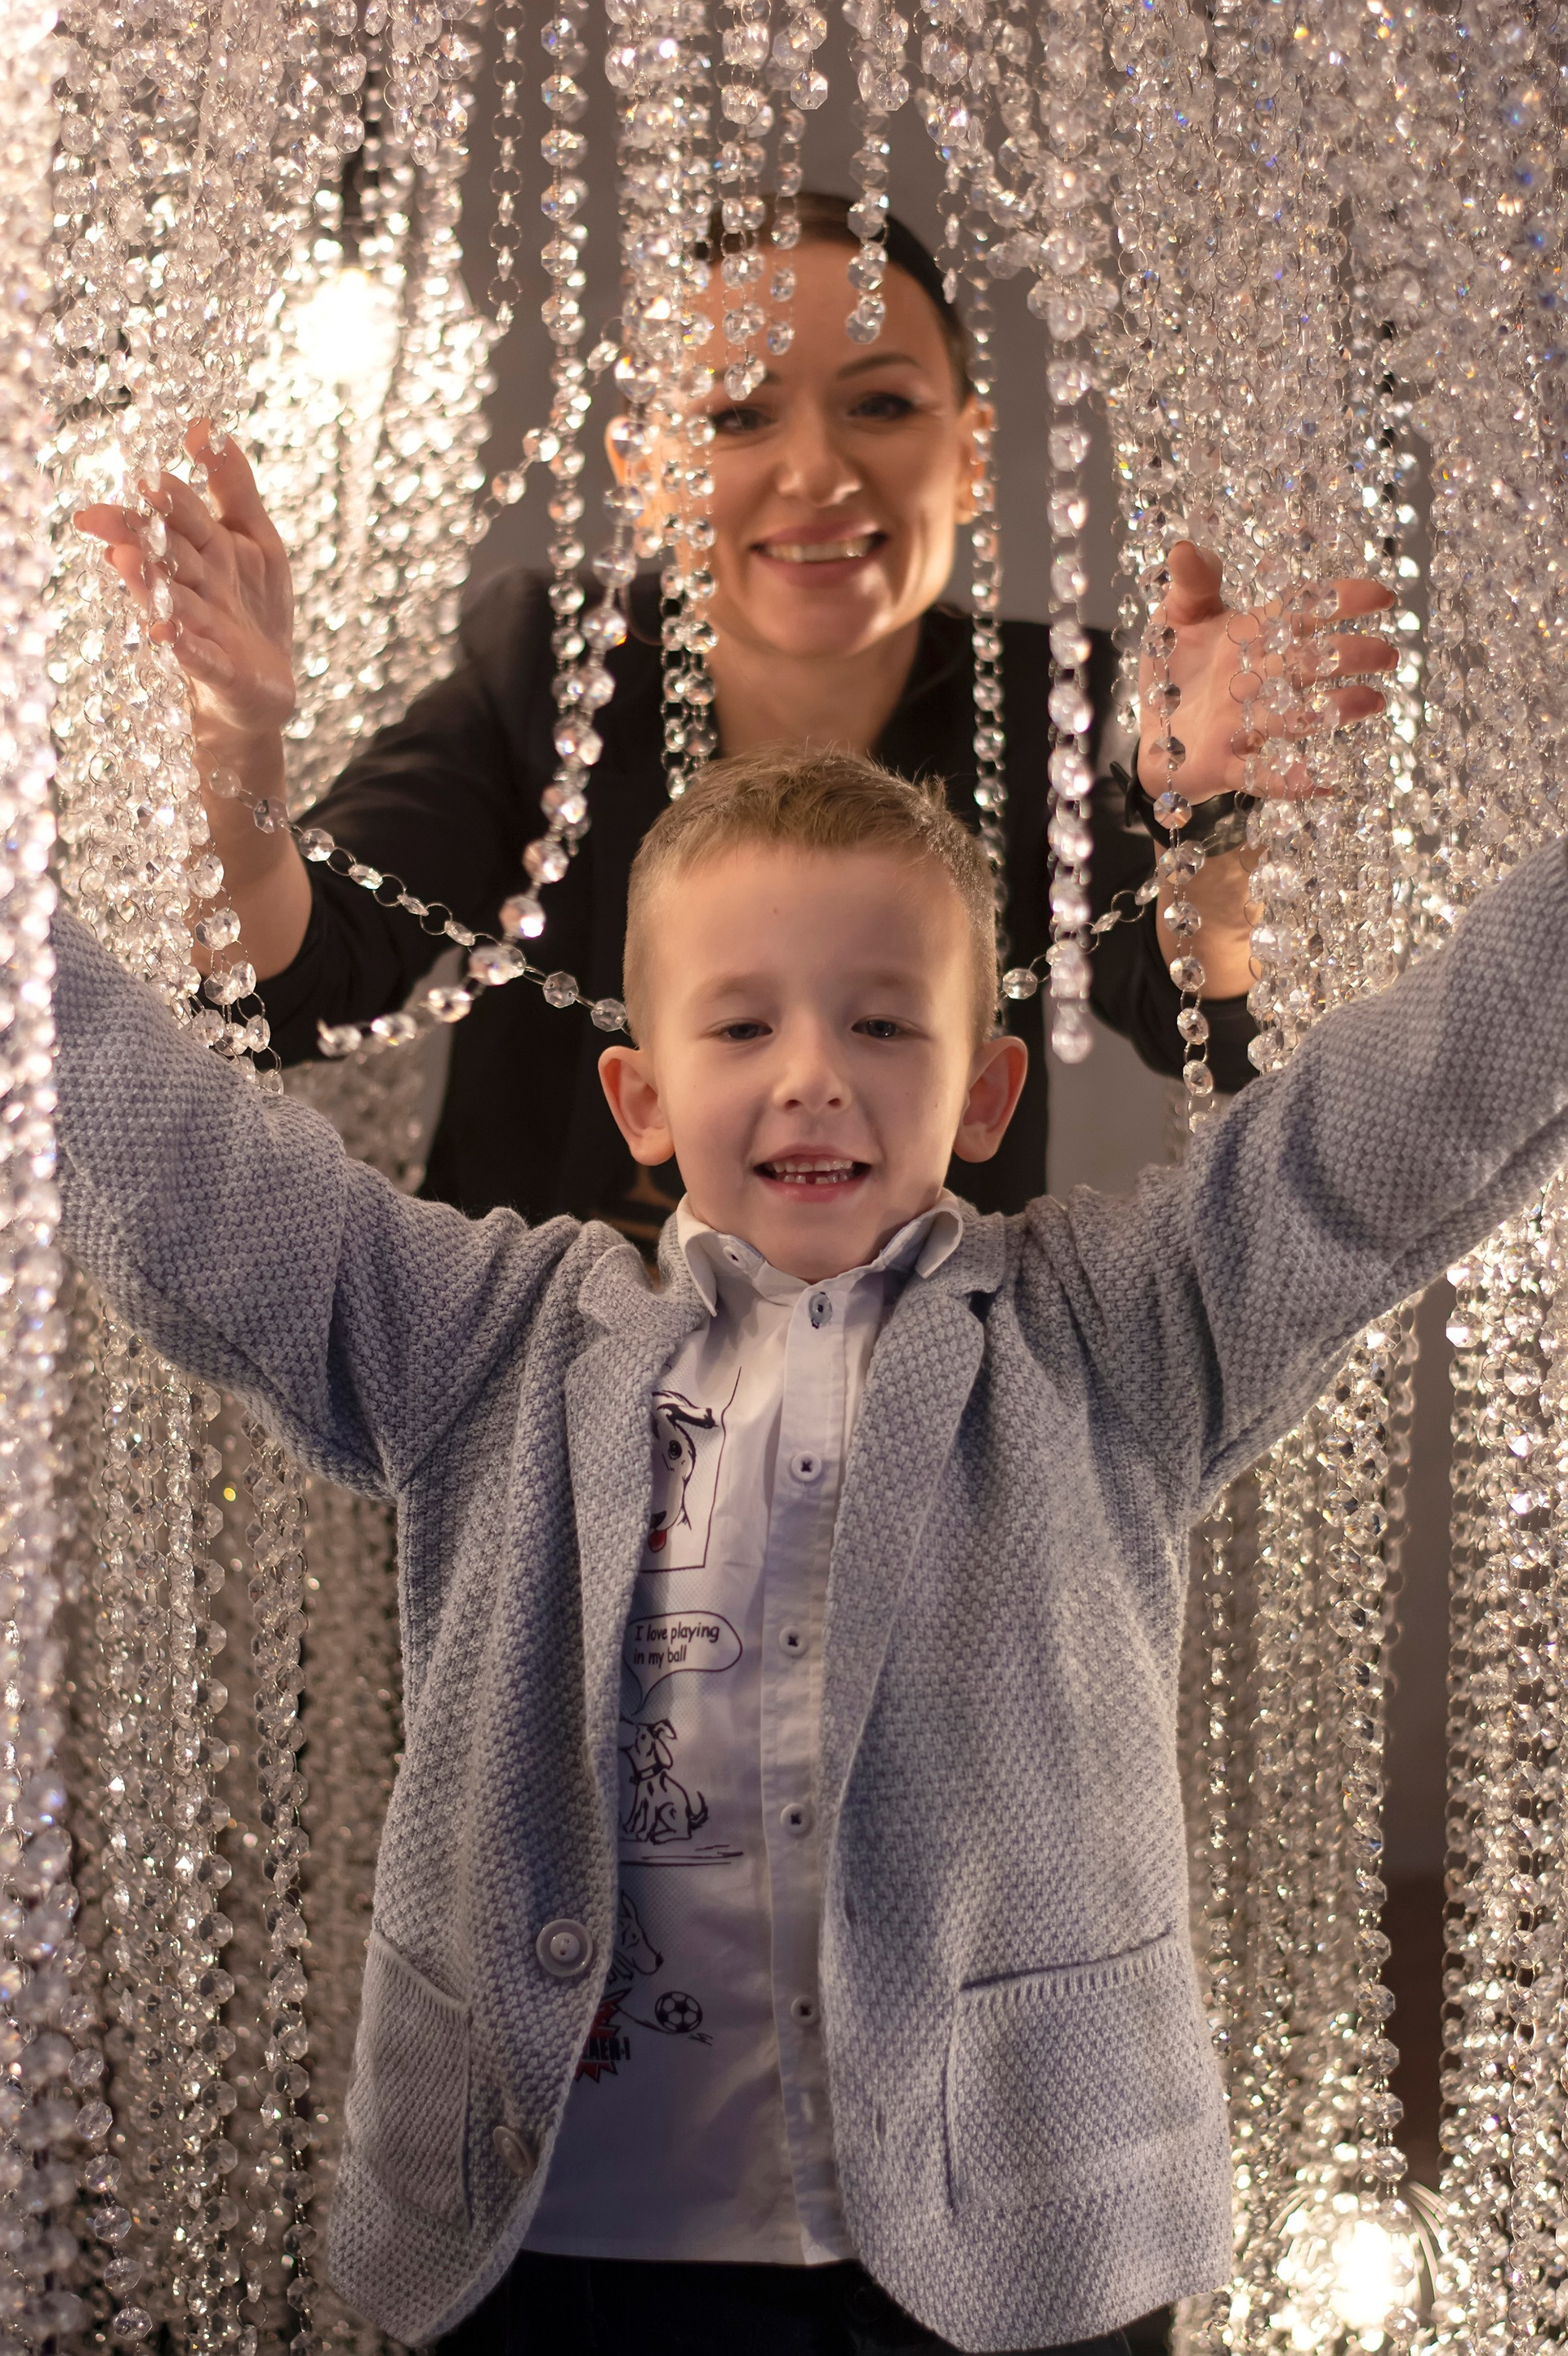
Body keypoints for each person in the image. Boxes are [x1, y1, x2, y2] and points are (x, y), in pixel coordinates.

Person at [50, 724, 1568, 2355]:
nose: (813, 1073)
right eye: (742, 1023)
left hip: (1017, 2235)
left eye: (883, 1021)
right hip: (563, 2240)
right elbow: (211, 1191)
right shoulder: (497, 1344)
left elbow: (1371, 1139)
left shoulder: (1107, 1333)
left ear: (986, 1091)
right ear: (641, 1096)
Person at [75, 197, 1395, 1239]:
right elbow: (285, 980)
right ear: (642, 471)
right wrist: (234, 741)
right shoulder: (553, 671)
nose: (816, 470)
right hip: (542, 1409)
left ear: (969, 455)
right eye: (736, 415)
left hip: (911, 1405)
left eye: (881, 404)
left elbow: (1211, 1022)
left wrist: (1213, 824)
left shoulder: (1039, 702)